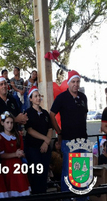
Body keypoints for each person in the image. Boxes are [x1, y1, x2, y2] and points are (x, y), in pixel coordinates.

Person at [50, 70, 88, 200]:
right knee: (68, 171)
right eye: (73, 82)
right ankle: (67, 198)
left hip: (83, 139)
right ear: (68, 82)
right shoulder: (61, 98)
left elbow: (85, 114)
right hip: (68, 140)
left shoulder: (83, 97)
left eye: (77, 82)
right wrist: (59, 132)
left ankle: (82, 198)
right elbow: (52, 115)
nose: (76, 84)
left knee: (82, 171)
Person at [24, 86, 52, 194]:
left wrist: (46, 142)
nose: (38, 98)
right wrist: (46, 139)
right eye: (35, 96)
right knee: (35, 175)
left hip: (45, 148)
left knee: (44, 175)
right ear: (30, 99)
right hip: (33, 148)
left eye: (39, 96)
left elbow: (50, 128)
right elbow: (30, 130)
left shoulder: (45, 113)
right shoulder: (28, 112)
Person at [0, 111, 30, 197]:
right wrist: (15, 154)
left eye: (11, 122)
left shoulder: (18, 136)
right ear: (2, 123)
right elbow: (1, 155)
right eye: (7, 122)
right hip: (7, 167)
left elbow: (21, 150)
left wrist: (20, 153)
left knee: (21, 189)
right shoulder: (0, 137)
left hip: (18, 166)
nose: (10, 125)